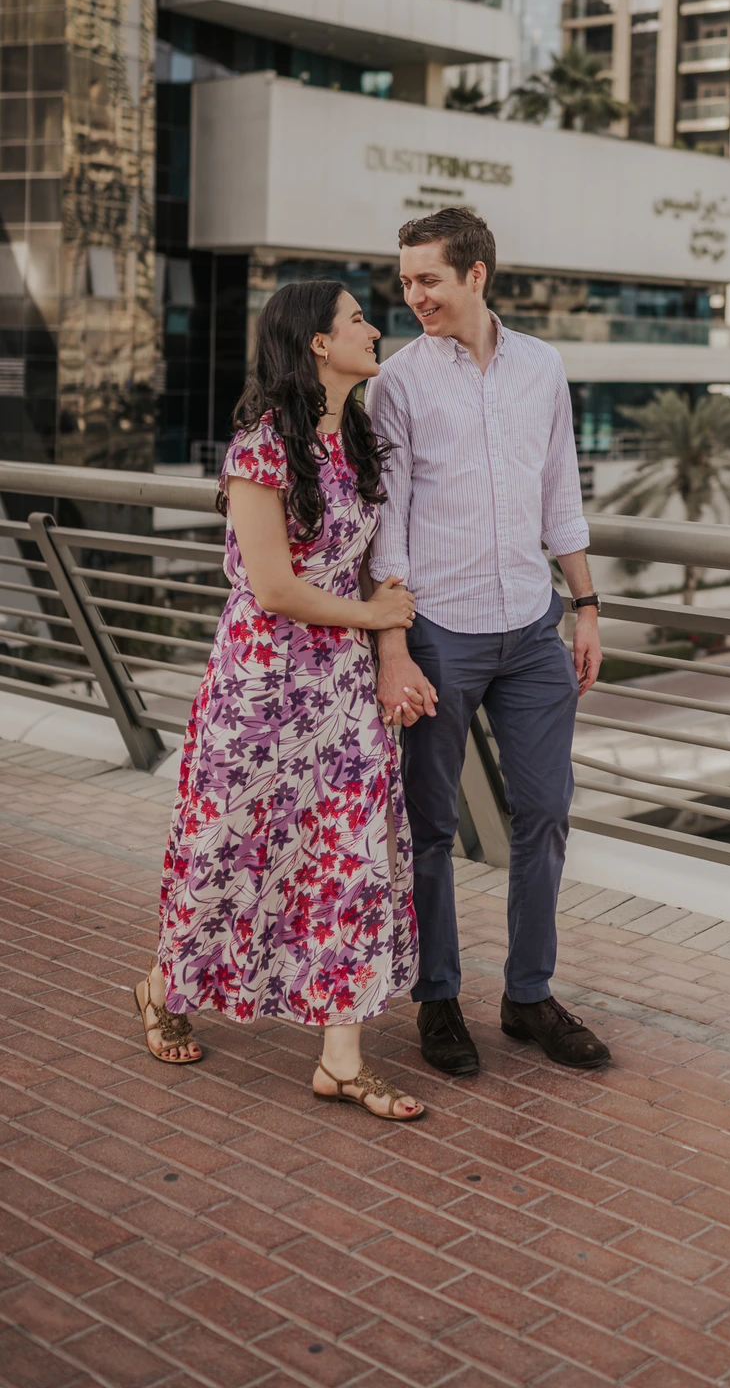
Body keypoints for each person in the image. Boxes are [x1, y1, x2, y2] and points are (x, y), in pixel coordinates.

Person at [136, 281, 429, 1122]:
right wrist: (373, 615)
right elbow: (271, 586)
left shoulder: (359, 441)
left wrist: (386, 651)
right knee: (229, 847)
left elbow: (373, 560)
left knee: (347, 861)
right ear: (315, 345)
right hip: (261, 684)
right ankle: (162, 985)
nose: (374, 330)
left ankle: (341, 1060)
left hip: (341, 686)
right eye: (357, 320)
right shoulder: (260, 450)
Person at [366, 208, 612, 1077]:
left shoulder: (542, 367)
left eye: (426, 279)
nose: (412, 296)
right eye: (404, 282)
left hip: (532, 627)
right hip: (437, 632)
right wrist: (394, 648)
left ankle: (527, 995)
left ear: (476, 275)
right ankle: (437, 999)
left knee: (543, 815)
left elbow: (561, 497)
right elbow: (384, 528)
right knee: (429, 827)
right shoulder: (394, 385)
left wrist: (585, 605)